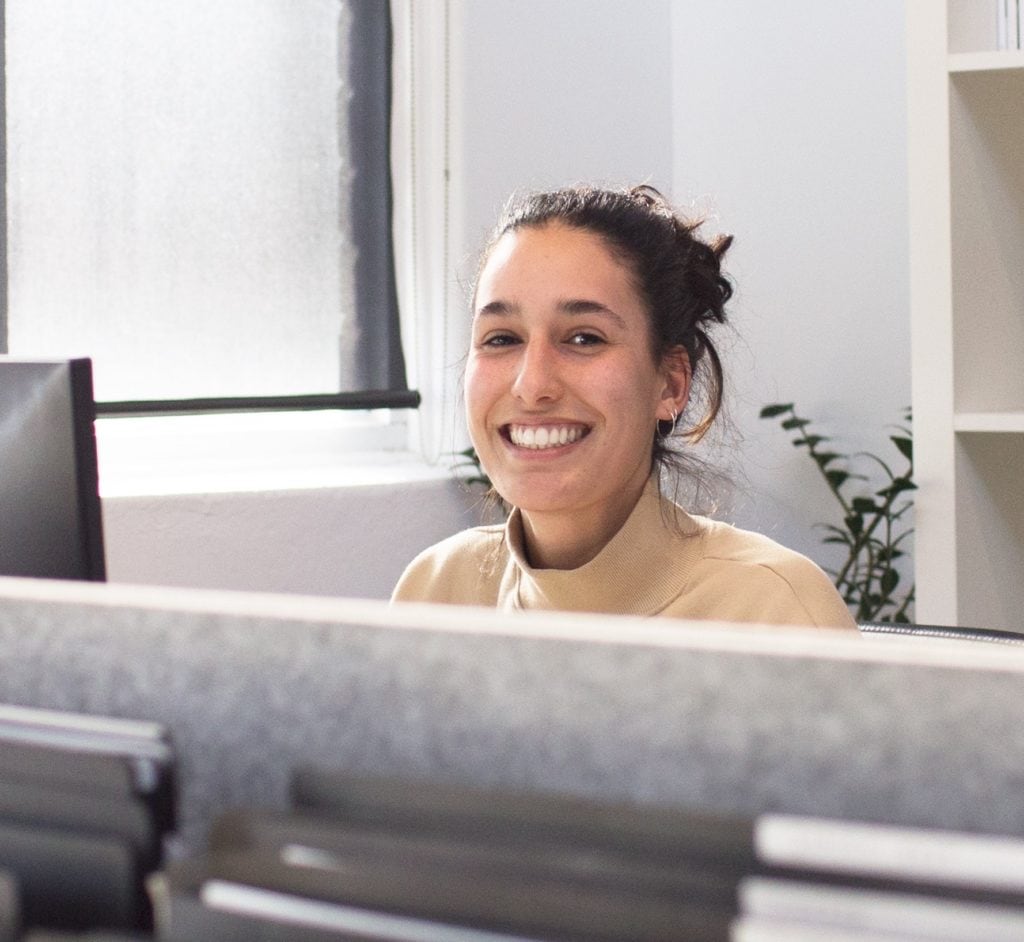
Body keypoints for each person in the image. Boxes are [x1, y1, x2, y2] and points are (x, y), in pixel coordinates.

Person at [392, 184, 856, 630]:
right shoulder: (436, 591)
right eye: (502, 339)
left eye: (584, 338)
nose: (531, 386)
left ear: (671, 384)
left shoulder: (773, 610)